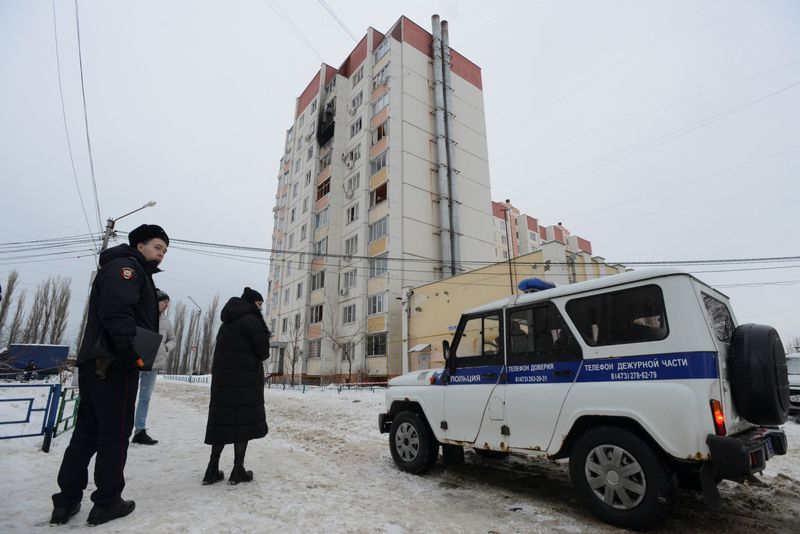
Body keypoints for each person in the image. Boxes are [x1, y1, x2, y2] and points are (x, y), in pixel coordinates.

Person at [50, 224, 168, 526]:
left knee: (87, 432)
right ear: (139, 245)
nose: (161, 254)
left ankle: (66, 501)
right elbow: (118, 311)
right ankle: (107, 502)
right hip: (113, 364)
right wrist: (130, 354)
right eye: (158, 247)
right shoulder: (126, 268)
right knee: (114, 435)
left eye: (165, 251)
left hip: (100, 363)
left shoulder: (125, 267)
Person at [202, 287, 270, 485]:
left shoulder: (227, 322)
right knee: (243, 422)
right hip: (245, 381)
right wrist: (265, 335)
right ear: (252, 303)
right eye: (259, 305)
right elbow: (263, 352)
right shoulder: (251, 319)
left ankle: (211, 469)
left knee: (221, 422)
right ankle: (238, 469)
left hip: (223, 381)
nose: (260, 309)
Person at [131, 289, 176, 445]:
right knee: (127, 396)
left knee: (145, 398)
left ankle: (140, 431)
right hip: (135, 362)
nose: (166, 306)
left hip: (154, 365)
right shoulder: (141, 315)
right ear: (156, 302)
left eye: (167, 303)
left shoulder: (166, 321)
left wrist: (165, 348)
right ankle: (120, 428)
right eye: (164, 302)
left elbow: (173, 339)